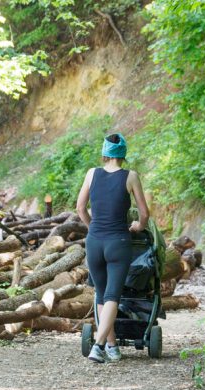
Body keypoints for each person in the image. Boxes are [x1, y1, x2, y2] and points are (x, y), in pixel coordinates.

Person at [76, 133, 150, 363]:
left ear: (104, 152)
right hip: (118, 242)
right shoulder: (131, 177)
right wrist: (138, 226)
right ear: (123, 154)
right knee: (112, 297)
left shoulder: (91, 173)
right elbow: (144, 213)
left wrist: (93, 229)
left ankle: (112, 345)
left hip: (95, 242)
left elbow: (80, 208)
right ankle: (99, 346)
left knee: (101, 295)